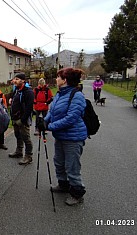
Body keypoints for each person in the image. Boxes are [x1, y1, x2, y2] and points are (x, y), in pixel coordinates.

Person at [42, 67, 87, 206]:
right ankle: (63, 185)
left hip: (73, 138)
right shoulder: (60, 94)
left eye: (58, 77)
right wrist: (45, 120)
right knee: (59, 162)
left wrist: (49, 127)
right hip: (60, 136)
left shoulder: (77, 96)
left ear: (65, 80)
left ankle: (77, 193)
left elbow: (70, 119)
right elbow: (52, 110)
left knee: (71, 166)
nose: (56, 80)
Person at [8, 73, 34, 165]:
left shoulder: (28, 92)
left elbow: (29, 108)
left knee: (26, 137)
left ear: (23, 80)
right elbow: (14, 97)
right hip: (15, 117)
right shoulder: (17, 89)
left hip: (23, 119)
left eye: (17, 79)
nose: (14, 81)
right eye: (14, 79)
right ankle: (19, 151)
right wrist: (11, 99)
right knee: (17, 135)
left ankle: (28, 156)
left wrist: (22, 120)